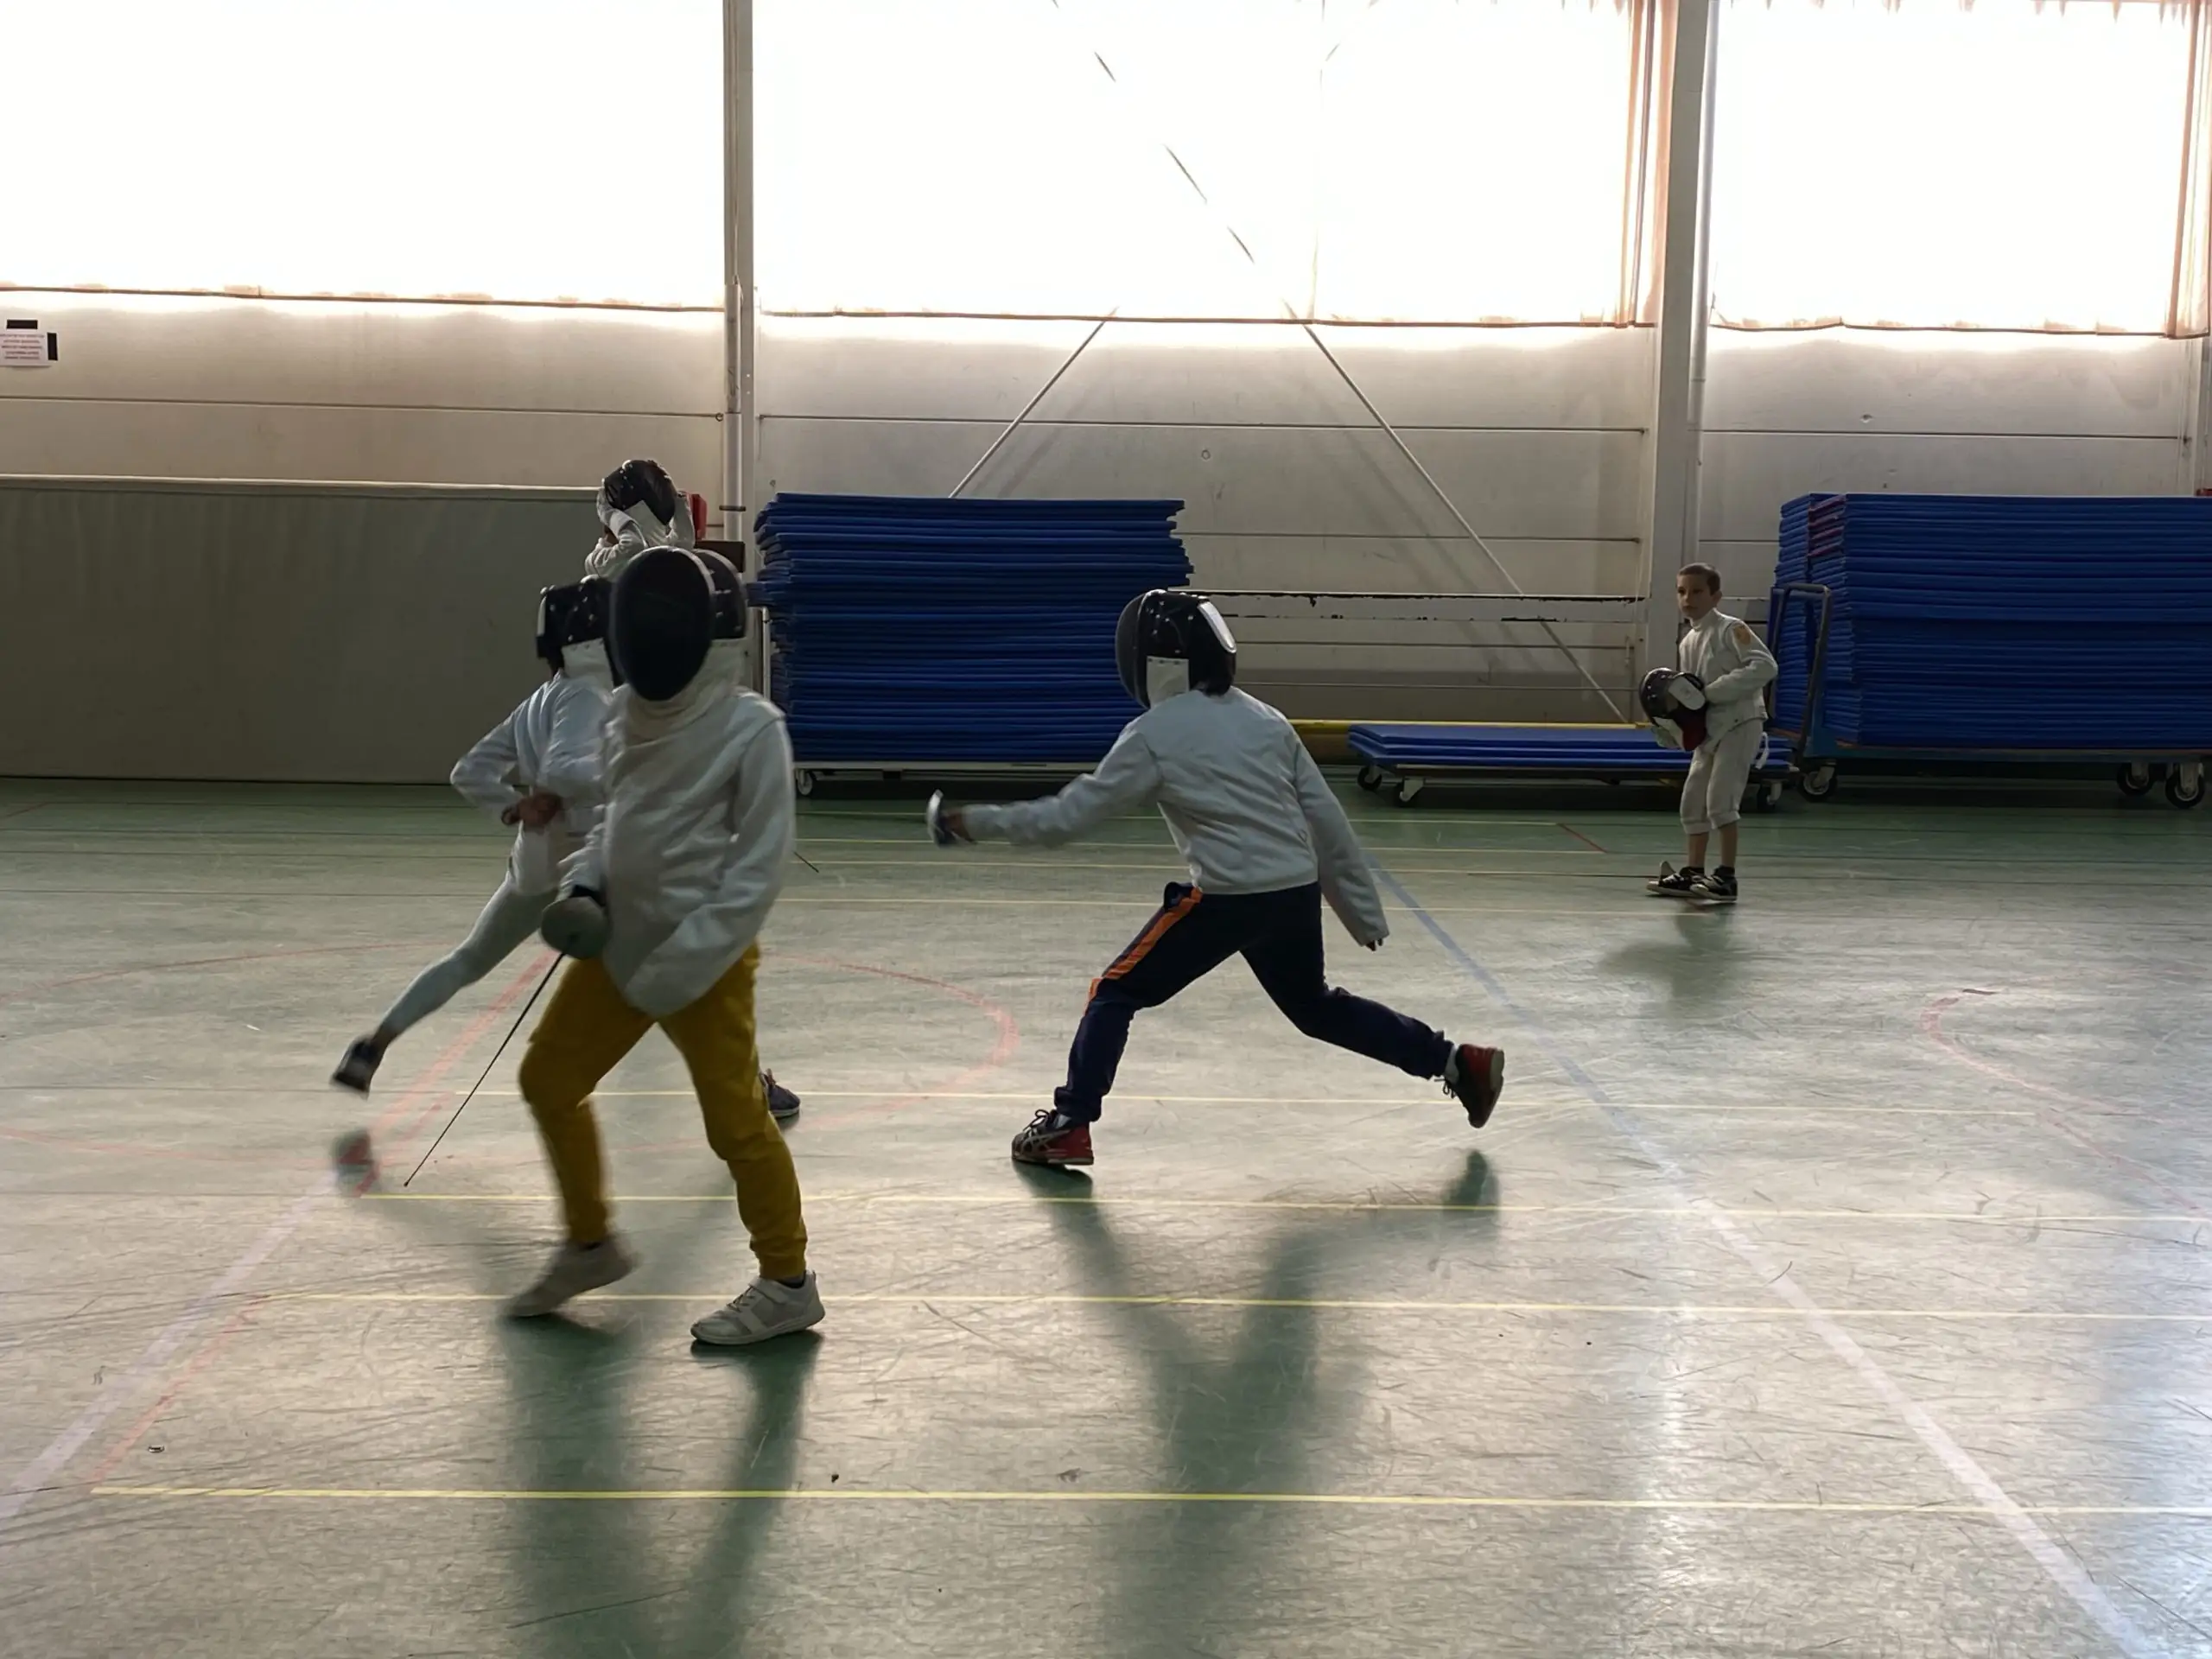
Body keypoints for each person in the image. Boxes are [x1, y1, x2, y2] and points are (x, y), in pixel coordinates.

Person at [930, 588, 1505, 1168]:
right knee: (1315, 1007)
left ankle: (1069, 1124)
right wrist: (1361, 911)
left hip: (1229, 901)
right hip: (1293, 894)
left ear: (1153, 663)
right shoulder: (1266, 719)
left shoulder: (1154, 733)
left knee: (1114, 993)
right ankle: (1457, 1062)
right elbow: (1325, 818)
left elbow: (1066, 818)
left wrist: (973, 822)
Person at [507, 545, 821, 1344]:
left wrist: (679, 968)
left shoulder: (752, 729)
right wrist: (585, 886)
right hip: (621, 946)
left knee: (737, 1125)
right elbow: (616, 824)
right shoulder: (622, 714)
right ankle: (590, 1244)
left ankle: (788, 1283)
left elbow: (757, 872)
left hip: (705, 964)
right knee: (547, 1080)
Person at [330, 581, 616, 1095]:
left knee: (469, 959)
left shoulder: (538, 701)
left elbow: (469, 770)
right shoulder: (588, 692)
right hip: (587, 863)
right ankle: (744, 1081)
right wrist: (634, 778)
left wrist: (514, 806)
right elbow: (567, 769)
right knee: (667, 963)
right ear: (595, 638)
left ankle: (373, 1045)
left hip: (535, 860)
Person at [1645, 563, 1777, 905]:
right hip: (1711, 729)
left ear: (1715, 596)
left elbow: (1765, 666)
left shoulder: (1731, 629)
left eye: (1697, 591)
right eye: (1682, 591)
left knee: (1721, 800)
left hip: (1741, 722)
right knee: (1693, 800)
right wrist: (1676, 726)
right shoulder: (1689, 640)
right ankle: (1693, 872)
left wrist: (1712, 693)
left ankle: (1726, 877)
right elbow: (1692, 695)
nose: (1688, 598)